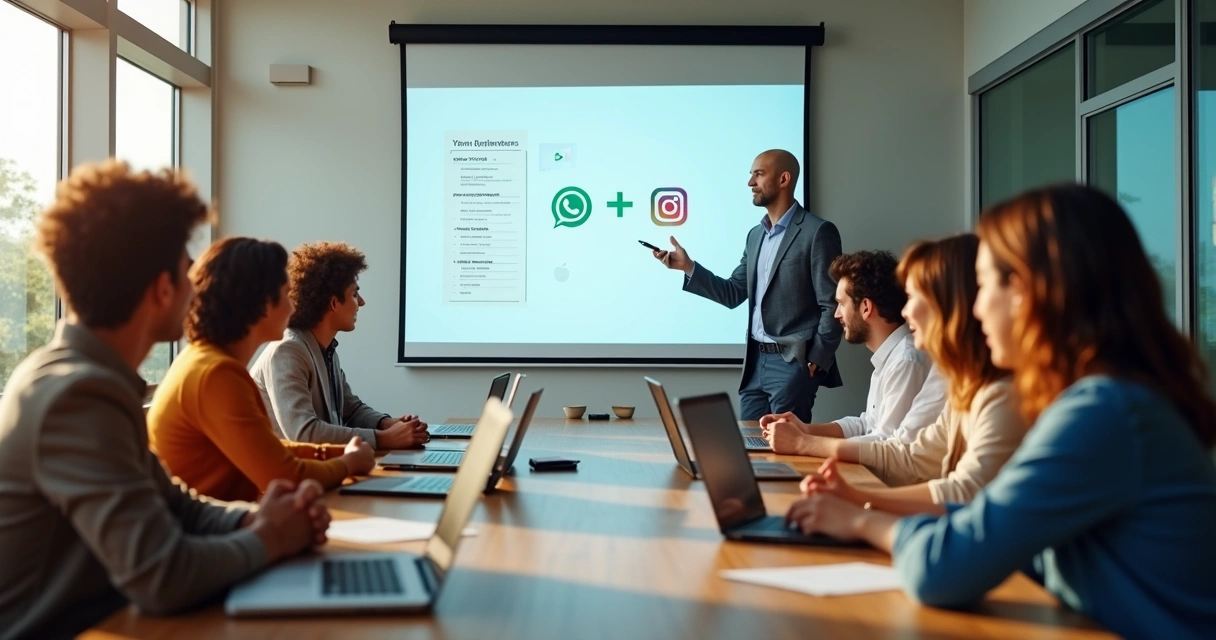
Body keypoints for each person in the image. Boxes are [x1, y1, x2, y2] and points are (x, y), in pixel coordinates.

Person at [785, 185, 1216, 639]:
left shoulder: (1104, 412)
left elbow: (944, 569)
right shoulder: (1106, 402)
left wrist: (860, 519)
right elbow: (988, 522)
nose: (974, 306)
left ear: (1035, 293)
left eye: (986, 285)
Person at [0, 161, 330, 638]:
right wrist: (271, 537)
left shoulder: (87, 380)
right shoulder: (77, 395)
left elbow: (179, 508)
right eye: (186, 270)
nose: (196, 287)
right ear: (161, 288)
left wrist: (260, 517)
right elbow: (161, 575)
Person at [796, 235, 1027, 515]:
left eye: (915, 296)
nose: (905, 311)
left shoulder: (998, 392)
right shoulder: (964, 384)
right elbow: (911, 455)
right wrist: (808, 441)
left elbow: (963, 492)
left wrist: (807, 445)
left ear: (949, 304)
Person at [148, 237, 377, 502]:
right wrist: (348, 463)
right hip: (209, 533)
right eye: (285, 295)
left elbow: (271, 452)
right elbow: (285, 474)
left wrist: (341, 454)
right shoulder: (217, 374)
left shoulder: (206, 361)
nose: (293, 307)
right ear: (260, 303)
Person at [653, 149, 843, 421]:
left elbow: (833, 302)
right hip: (754, 363)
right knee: (749, 448)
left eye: (758, 174)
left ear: (784, 179)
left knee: (787, 453)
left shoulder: (817, 232)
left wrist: (815, 360)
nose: (750, 183)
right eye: (751, 175)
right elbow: (733, 293)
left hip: (793, 363)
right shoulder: (755, 236)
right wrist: (688, 267)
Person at [760, 250, 947, 452]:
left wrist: (803, 443)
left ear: (866, 307)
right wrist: (804, 429)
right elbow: (866, 425)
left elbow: (885, 441)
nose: (836, 314)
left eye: (841, 304)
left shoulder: (906, 359)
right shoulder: (891, 356)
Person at [250, 241, 428, 449]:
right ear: (334, 303)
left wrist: (389, 424)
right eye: (354, 294)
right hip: (283, 477)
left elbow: (350, 410)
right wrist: (384, 438)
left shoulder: (325, 349)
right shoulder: (287, 352)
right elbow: (303, 432)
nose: (361, 302)